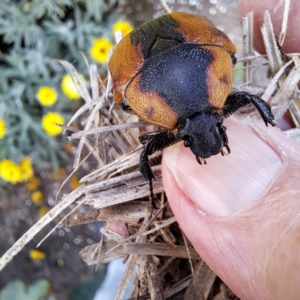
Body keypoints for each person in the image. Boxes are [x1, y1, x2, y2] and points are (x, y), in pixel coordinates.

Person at [162, 1, 300, 299]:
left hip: (190, 45)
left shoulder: (157, 108)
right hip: (188, 41)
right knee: (246, 95)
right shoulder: (220, 87)